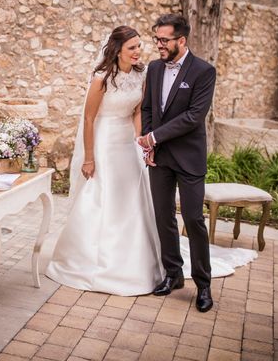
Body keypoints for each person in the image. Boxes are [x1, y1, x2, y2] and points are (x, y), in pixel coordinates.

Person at [46, 24, 256, 299]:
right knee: (111, 201)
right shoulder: (102, 79)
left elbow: (140, 112)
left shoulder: (146, 73)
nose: (141, 50)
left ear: (180, 40)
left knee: (163, 210)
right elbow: (89, 119)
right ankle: (113, 263)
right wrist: (89, 156)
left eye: (145, 44)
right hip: (106, 142)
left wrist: (141, 141)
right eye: (133, 47)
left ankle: (199, 285)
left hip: (137, 146)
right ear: (117, 49)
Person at [138, 13, 215, 312]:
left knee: (194, 219)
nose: (158, 44)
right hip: (160, 157)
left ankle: (204, 285)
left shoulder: (204, 71)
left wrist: (154, 137)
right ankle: (174, 273)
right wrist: (148, 140)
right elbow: (147, 108)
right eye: (156, 38)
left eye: (164, 40)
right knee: (163, 216)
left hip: (189, 156)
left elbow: (194, 116)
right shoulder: (155, 68)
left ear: (181, 40)